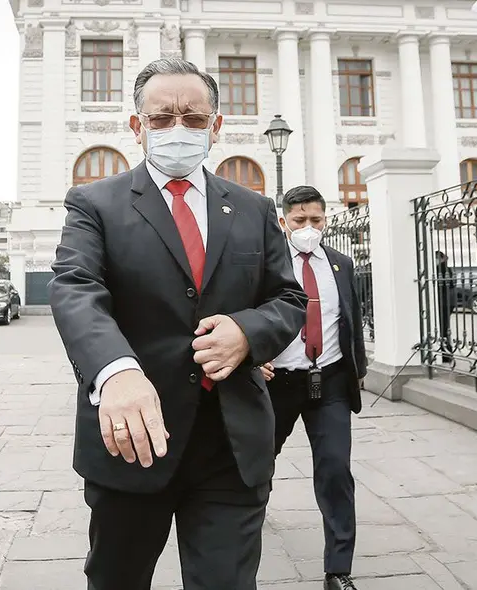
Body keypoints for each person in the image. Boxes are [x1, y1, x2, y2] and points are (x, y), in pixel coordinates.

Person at [49, 58, 306, 590]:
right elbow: (76, 289)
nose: (178, 130)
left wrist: (247, 331)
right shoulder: (96, 203)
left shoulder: (254, 208)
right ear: (137, 127)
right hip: (133, 436)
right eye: (162, 118)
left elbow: (288, 297)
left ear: (216, 126)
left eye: (193, 117)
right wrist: (115, 372)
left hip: (230, 445)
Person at [260, 186, 367, 590]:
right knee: (259, 459)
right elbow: (252, 314)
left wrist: (358, 365)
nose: (309, 228)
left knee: (336, 468)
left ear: (326, 219)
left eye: (316, 221)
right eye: (300, 221)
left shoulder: (340, 263)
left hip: (332, 380)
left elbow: (350, 317)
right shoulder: (269, 266)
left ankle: (338, 569)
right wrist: (255, 356)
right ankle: (252, 511)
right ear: (284, 221)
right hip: (280, 383)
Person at [435, 251, 455, 362]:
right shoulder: (447, 268)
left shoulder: (441, 268)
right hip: (448, 301)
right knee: (445, 327)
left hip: (443, 302)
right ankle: (447, 352)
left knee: (442, 328)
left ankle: (445, 353)